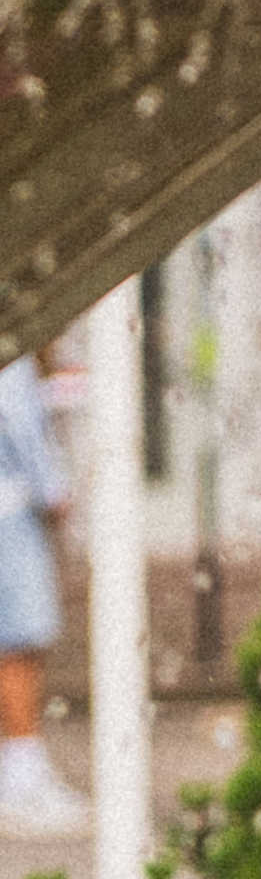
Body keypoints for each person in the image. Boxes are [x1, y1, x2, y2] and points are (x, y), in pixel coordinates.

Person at [0, 349, 78, 836]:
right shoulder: (12, 352)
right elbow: (18, 419)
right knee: (21, 640)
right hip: (9, 510)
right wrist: (53, 488)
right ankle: (22, 772)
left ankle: (21, 766)